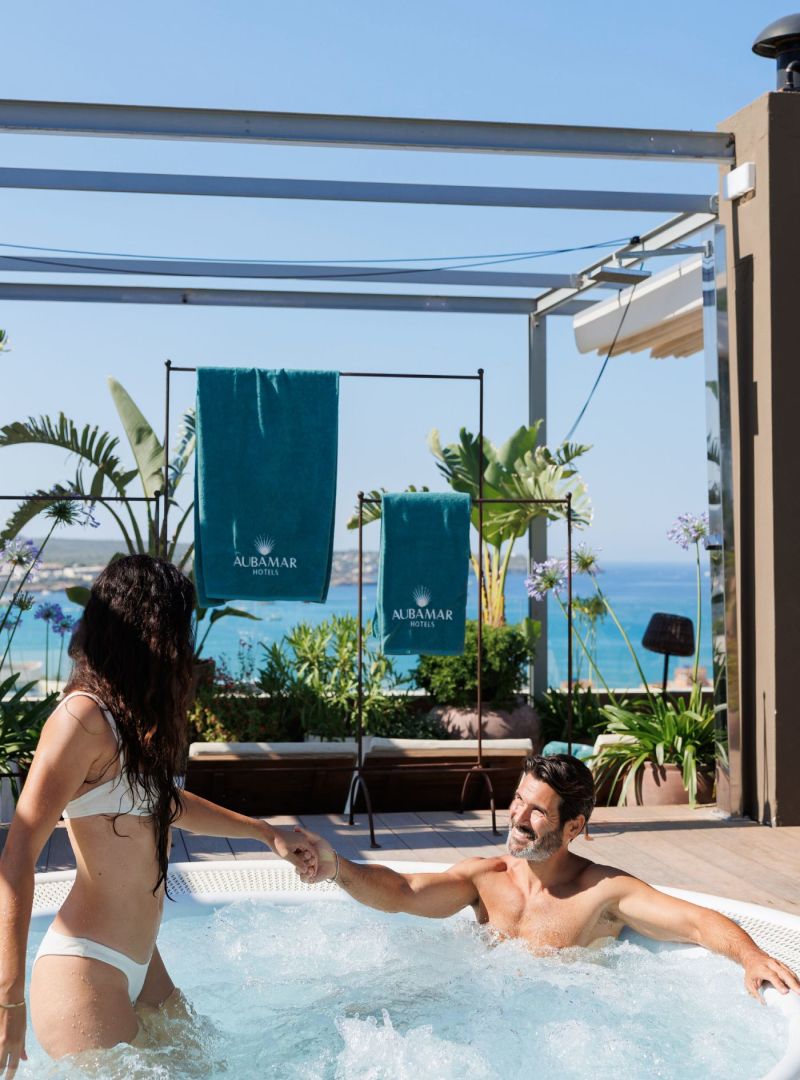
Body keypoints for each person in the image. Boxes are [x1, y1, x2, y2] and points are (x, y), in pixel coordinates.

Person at [0, 555, 317, 1076]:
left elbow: (164, 804)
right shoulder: (80, 718)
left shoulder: (123, 720)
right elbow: (17, 856)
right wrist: (9, 999)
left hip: (144, 968)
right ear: (150, 628)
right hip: (85, 972)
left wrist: (266, 834)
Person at [298, 754, 799, 1000]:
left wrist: (750, 956)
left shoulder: (602, 892)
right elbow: (403, 892)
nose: (517, 817)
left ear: (574, 827)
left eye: (537, 811)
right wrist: (335, 868)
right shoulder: (485, 878)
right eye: (519, 799)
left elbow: (696, 922)